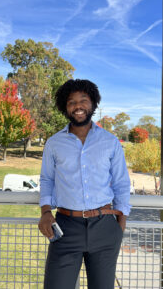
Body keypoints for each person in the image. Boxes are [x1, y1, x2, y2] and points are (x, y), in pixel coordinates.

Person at [38, 79, 131, 289]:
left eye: (83, 100)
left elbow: (121, 183)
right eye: (71, 102)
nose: (78, 106)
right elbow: (47, 179)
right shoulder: (54, 143)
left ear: (93, 104)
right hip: (65, 226)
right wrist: (45, 211)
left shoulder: (110, 142)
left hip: (105, 227)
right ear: (65, 107)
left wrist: (121, 222)